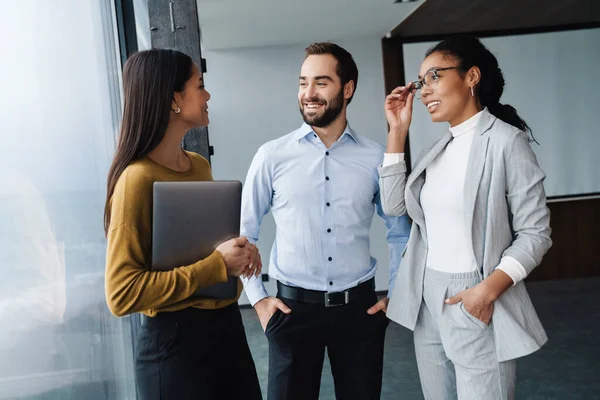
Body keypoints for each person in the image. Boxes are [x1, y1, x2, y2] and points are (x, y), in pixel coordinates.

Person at [379, 36, 552, 400]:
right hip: (427, 301)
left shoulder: (507, 142)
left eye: (435, 76)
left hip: (475, 294)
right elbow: (394, 206)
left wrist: (485, 292)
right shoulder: (438, 149)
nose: (424, 91)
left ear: (471, 76)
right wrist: (397, 131)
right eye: (421, 81)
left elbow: (535, 233)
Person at [240, 42, 411, 400]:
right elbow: (244, 233)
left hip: (359, 312)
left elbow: (399, 230)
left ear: (347, 89)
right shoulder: (272, 156)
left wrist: (397, 294)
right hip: (291, 312)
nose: (308, 94)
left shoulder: (375, 156)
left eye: (321, 82)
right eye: (303, 83)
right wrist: (258, 300)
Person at [104, 49, 263, 400]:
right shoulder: (135, 180)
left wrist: (240, 253)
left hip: (227, 332)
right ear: (175, 99)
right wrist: (216, 266)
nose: (207, 96)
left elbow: (202, 249)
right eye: (199, 86)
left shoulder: (198, 165)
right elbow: (121, 293)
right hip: (175, 348)